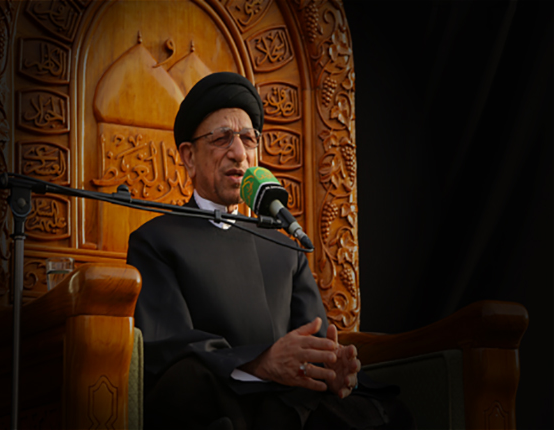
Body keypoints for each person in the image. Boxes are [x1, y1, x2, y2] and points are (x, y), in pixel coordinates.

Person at [127, 72, 413, 429]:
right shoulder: (155, 241)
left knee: (381, 413)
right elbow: (169, 350)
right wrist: (261, 364)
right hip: (223, 400)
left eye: (248, 139)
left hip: (289, 400)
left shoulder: (283, 246)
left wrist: (332, 369)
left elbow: (314, 340)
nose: (238, 153)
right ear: (189, 156)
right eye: (221, 139)